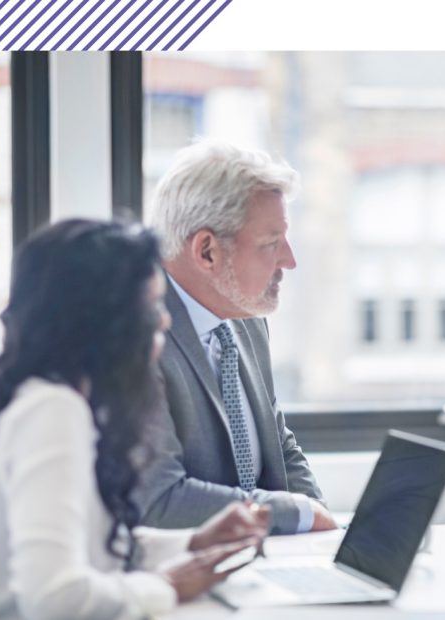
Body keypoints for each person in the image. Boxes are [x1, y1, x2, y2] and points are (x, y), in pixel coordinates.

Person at [0, 219, 270, 620]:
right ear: (106, 319)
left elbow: (92, 548)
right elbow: (54, 598)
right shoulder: (52, 410)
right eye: (152, 304)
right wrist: (168, 586)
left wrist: (194, 543)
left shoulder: (55, 400)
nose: (164, 320)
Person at [137, 139, 334, 535]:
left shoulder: (245, 316)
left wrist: (323, 530)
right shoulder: (136, 339)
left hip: (264, 564)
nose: (289, 260)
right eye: (270, 243)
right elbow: (158, 500)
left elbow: (279, 445)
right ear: (207, 251)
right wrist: (298, 514)